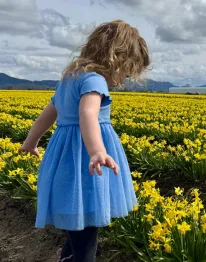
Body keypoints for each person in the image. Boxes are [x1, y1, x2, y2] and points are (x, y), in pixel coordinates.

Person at [18, 20, 150, 262]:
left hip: (67, 157)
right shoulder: (94, 80)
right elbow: (87, 113)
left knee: (79, 217)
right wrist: (97, 150)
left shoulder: (68, 79)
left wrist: (31, 141)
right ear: (116, 57)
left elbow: (48, 114)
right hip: (84, 159)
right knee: (88, 217)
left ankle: (69, 256)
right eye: (127, 70)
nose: (124, 78)